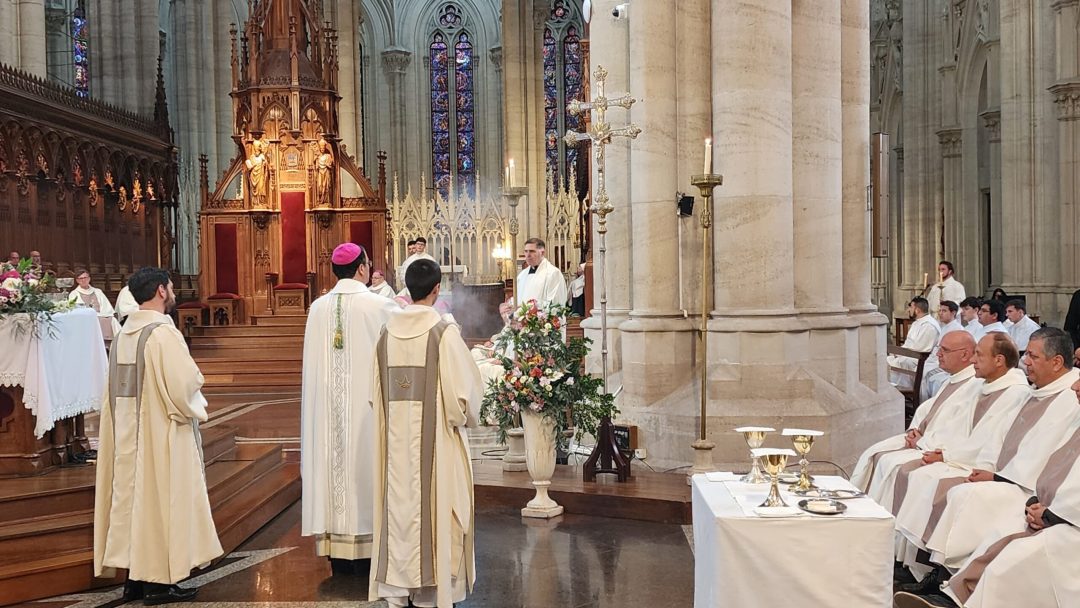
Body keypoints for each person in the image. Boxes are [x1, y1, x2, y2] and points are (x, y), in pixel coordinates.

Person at [93, 267, 221, 605]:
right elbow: (183, 386)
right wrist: (197, 398)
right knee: (161, 501)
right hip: (160, 432)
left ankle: (135, 578)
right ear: (161, 291)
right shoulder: (163, 335)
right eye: (170, 285)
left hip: (127, 433)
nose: (174, 289)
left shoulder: (124, 334)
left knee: (133, 501)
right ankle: (159, 583)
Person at [921, 329, 1080, 573]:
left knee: (967, 498)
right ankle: (942, 574)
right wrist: (989, 468)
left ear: (1057, 362)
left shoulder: (1067, 398)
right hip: (1021, 482)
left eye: (1033, 357)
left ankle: (948, 577)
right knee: (960, 494)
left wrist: (998, 477)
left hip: (1028, 487)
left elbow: (1046, 454)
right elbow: (1001, 435)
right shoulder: (1038, 390)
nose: (1025, 362)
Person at [370, 259, 481, 607]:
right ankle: (430, 592)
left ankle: (397, 590)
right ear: (436, 290)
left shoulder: (386, 334)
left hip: (394, 448)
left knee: (398, 510)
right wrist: (463, 417)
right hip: (438, 448)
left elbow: (375, 396)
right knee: (439, 509)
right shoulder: (443, 334)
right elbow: (464, 399)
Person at [892, 333, 1030, 581]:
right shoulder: (984, 385)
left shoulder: (1015, 392)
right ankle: (908, 558)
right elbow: (956, 423)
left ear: (999, 360)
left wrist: (945, 454)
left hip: (989, 467)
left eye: (979, 354)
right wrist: (930, 442)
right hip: (966, 458)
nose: (973, 360)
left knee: (934, 482)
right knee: (916, 473)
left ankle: (932, 571)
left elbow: (991, 440)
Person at [300, 243, 398, 572]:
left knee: (332, 468)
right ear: (361, 269)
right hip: (364, 414)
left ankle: (336, 553)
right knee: (364, 468)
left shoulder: (316, 308)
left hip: (326, 414)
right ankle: (368, 549)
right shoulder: (380, 305)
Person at [851, 331, 980, 504]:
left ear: (964, 354)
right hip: (923, 439)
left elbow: (955, 427)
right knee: (874, 453)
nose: (938, 354)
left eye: (945, 350)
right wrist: (914, 430)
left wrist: (921, 441)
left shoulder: (974, 384)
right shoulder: (955, 378)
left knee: (893, 465)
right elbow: (928, 409)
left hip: (936, 447)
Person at [889, 297, 941, 390]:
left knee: (898, 362)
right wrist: (899, 352)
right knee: (887, 360)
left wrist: (901, 354)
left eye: (910, 307)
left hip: (922, 358)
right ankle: (891, 390)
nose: (908, 310)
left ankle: (902, 389)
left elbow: (922, 349)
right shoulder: (916, 323)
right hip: (911, 355)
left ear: (917, 310)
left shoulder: (929, 326)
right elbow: (909, 344)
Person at [920, 302, 964, 401]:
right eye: (940, 310)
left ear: (953, 313)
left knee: (923, 373)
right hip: (934, 359)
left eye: (944, 311)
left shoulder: (957, 329)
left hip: (944, 361)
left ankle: (926, 403)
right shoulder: (944, 327)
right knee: (919, 370)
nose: (940, 313)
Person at [69, 269, 122, 341]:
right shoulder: (74, 294)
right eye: (81, 278)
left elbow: (106, 307)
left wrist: (103, 314)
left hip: (101, 315)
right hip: (86, 318)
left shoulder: (97, 291)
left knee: (112, 320)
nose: (83, 280)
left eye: (85, 278)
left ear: (89, 279)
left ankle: (113, 343)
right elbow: (76, 310)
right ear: (77, 281)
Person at [515, 237, 568, 310]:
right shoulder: (522, 275)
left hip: (542, 320)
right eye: (526, 251)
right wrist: (509, 305)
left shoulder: (553, 273)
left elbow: (556, 303)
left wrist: (528, 308)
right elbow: (518, 298)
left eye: (532, 251)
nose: (528, 255)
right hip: (522, 320)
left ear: (542, 252)